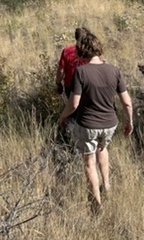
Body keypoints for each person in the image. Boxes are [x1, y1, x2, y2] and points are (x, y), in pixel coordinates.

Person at [59, 32, 133, 212]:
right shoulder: (114, 70)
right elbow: (127, 102)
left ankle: (95, 203)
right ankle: (106, 185)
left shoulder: (81, 72)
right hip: (110, 124)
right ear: (99, 49)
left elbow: (74, 103)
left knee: (89, 162)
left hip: (87, 124)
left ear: (81, 50)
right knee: (103, 148)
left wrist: (62, 116)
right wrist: (130, 122)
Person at [56, 27, 88, 98]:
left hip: (71, 86)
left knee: (73, 106)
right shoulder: (91, 52)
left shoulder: (67, 51)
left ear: (76, 37)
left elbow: (61, 71)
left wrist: (58, 83)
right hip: (87, 85)